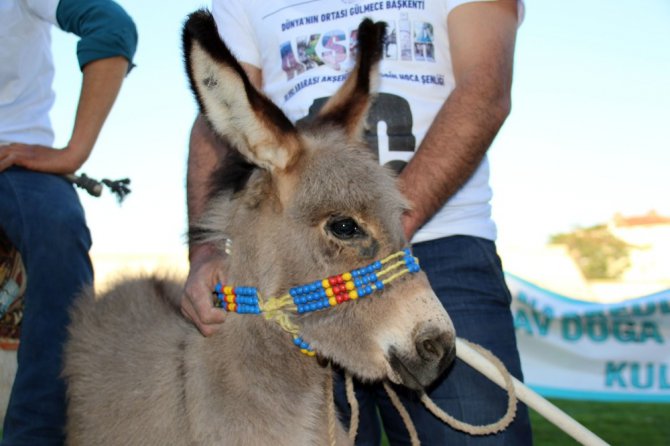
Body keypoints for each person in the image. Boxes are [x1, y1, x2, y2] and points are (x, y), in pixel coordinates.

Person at [182, 0, 532, 444]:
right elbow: (218, 125)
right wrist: (205, 252)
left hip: (440, 242)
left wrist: (382, 242)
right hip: (303, 266)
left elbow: (486, 88)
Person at [0, 0, 137, 443]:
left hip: (12, 159)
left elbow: (111, 26)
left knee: (58, 228)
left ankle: (37, 433)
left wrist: (74, 152)